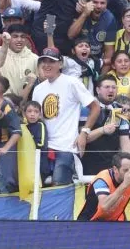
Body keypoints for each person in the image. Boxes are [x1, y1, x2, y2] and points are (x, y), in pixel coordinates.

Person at [32, 47, 100, 185]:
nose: (46, 65)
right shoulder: (38, 89)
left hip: (66, 147)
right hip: (44, 148)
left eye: (51, 61)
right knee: (42, 186)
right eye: (43, 61)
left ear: (61, 64)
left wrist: (84, 132)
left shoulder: (71, 82)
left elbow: (95, 106)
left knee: (59, 186)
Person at [77, 151, 130, 221]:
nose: (129, 173)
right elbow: (104, 206)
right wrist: (124, 185)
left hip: (114, 221)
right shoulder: (102, 179)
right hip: (89, 221)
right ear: (115, 169)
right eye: (126, 170)